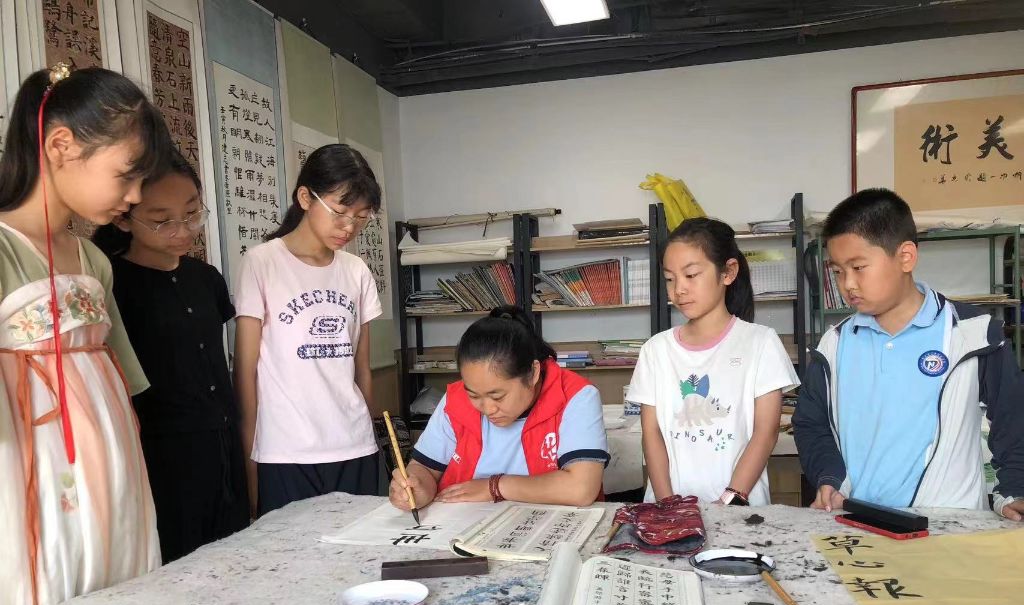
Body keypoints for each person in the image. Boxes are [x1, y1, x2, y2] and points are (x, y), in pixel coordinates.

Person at [0, 65, 184, 605]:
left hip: (116, 488)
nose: (134, 196)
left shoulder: (91, 262)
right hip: (34, 491)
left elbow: (121, 382)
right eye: (127, 175)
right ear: (60, 147)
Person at [92, 150, 251, 605]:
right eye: (162, 220)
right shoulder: (111, 283)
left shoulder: (206, 280)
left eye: (192, 214)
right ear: (125, 215)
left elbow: (223, 370)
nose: (183, 231)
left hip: (223, 459)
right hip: (164, 468)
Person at [793, 188, 1024, 521]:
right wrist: (829, 477)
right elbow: (811, 424)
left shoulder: (972, 334)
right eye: (838, 271)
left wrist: (1014, 489)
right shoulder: (834, 343)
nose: (847, 284)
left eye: (858, 267)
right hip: (859, 522)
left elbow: (1013, 421)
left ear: (905, 257)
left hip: (947, 526)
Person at [233, 143, 383, 519]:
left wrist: (373, 436)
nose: (349, 227)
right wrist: (249, 458)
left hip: (354, 446)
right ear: (305, 197)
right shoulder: (262, 263)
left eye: (361, 217)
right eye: (340, 213)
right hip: (285, 451)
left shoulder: (356, 271)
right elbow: (246, 373)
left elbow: (361, 370)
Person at [626, 217, 799, 506]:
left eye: (691, 275)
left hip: (740, 511)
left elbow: (765, 434)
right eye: (670, 278)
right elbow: (651, 434)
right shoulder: (655, 350)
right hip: (668, 513)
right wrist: (668, 505)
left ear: (728, 272)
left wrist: (730, 500)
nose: (679, 289)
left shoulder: (761, 343)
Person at [389, 305, 608, 511]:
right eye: (474, 395)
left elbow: (581, 488)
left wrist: (494, 487)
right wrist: (416, 488)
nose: (487, 408)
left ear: (533, 373)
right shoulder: (455, 399)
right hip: (463, 522)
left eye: (497, 396)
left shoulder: (575, 396)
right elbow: (425, 469)